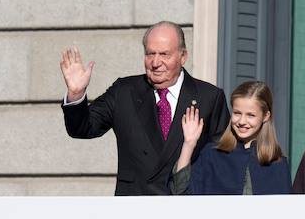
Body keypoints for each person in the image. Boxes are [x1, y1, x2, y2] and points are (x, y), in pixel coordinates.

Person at [61, 21, 230, 195]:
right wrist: (76, 94)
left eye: (164, 54)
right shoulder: (124, 91)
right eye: (150, 54)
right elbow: (82, 128)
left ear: (183, 56)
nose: (156, 62)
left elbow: (223, 161)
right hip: (134, 207)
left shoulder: (208, 97)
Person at [170, 80, 290, 195]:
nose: (242, 121)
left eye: (251, 115)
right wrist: (189, 144)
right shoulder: (211, 154)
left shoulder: (278, 164)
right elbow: (180, 192)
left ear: (266, 116)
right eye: (237, 113)